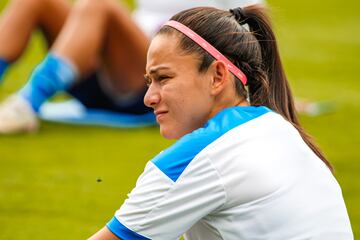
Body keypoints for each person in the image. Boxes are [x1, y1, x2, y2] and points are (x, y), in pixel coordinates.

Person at [87, 5, 353, 240]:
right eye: (149, 81)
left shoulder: (200, 155)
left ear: (217, 76)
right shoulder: (281, 129)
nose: (149, 98)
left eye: (164, 78)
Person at [0, 0, 264, 134]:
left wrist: (254, 89)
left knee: (99, 5)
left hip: (154, 84)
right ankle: (28, 99)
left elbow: (252, 33)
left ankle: (25, 105)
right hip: (107, 69)